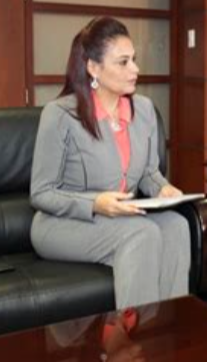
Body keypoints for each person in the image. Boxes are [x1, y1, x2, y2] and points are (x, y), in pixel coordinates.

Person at [30, 16, 191, 309]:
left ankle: (170, 325)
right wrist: (95, 203)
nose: (135, 69)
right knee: (142, 233)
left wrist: (163, 188)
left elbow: (148, 173)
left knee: (177, 226)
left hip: (120, 216)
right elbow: (41, 193)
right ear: (93, 67)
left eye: (134, 59)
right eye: (123, 62)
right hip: (62, 223)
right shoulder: (59, 115)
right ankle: (136, 334)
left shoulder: (144, 110)